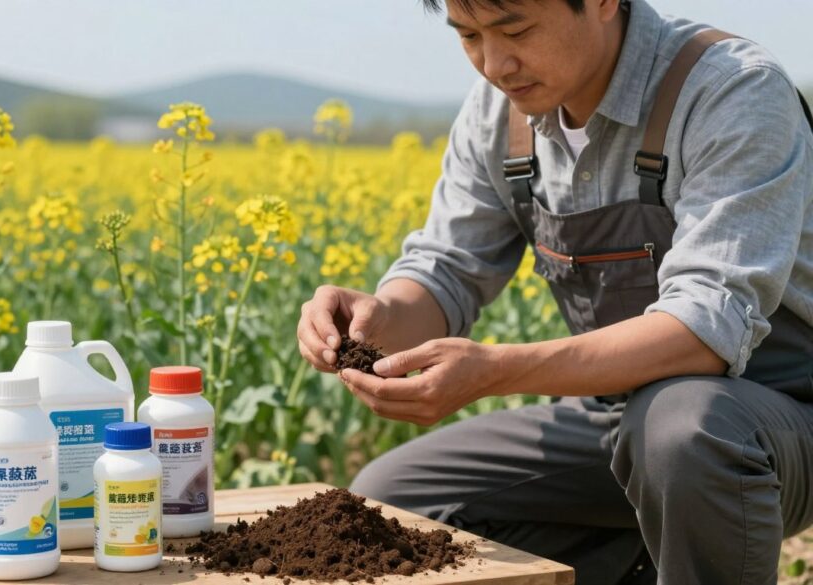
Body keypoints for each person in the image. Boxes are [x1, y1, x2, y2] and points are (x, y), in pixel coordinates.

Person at [295, 0, 813, 583]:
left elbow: (706, 326)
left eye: (515, 29)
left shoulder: (732, 91)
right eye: (468, 35)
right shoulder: (501, 114)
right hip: (617, 412)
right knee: (396, 502)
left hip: (771, 421)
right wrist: (374, 319)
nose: (494, 63)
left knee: (680, 428)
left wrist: (497, 371)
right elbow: (449, 269)